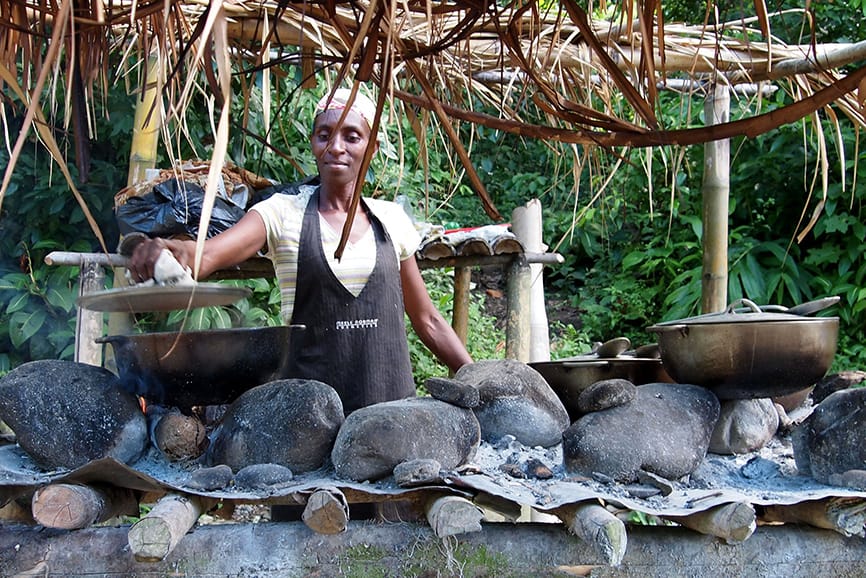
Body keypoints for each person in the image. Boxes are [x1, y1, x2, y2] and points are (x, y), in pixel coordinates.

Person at [127, 88, 473, 415]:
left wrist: (478, 379)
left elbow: (427, 320)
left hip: (391, 416)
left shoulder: (392, 220)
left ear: (372, 147)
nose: (336, 147)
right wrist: (171, 252)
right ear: (313, 143)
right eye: (324, 135)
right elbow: (207, 255)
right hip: (309, 419)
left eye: (352, 137)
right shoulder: (282, 213)